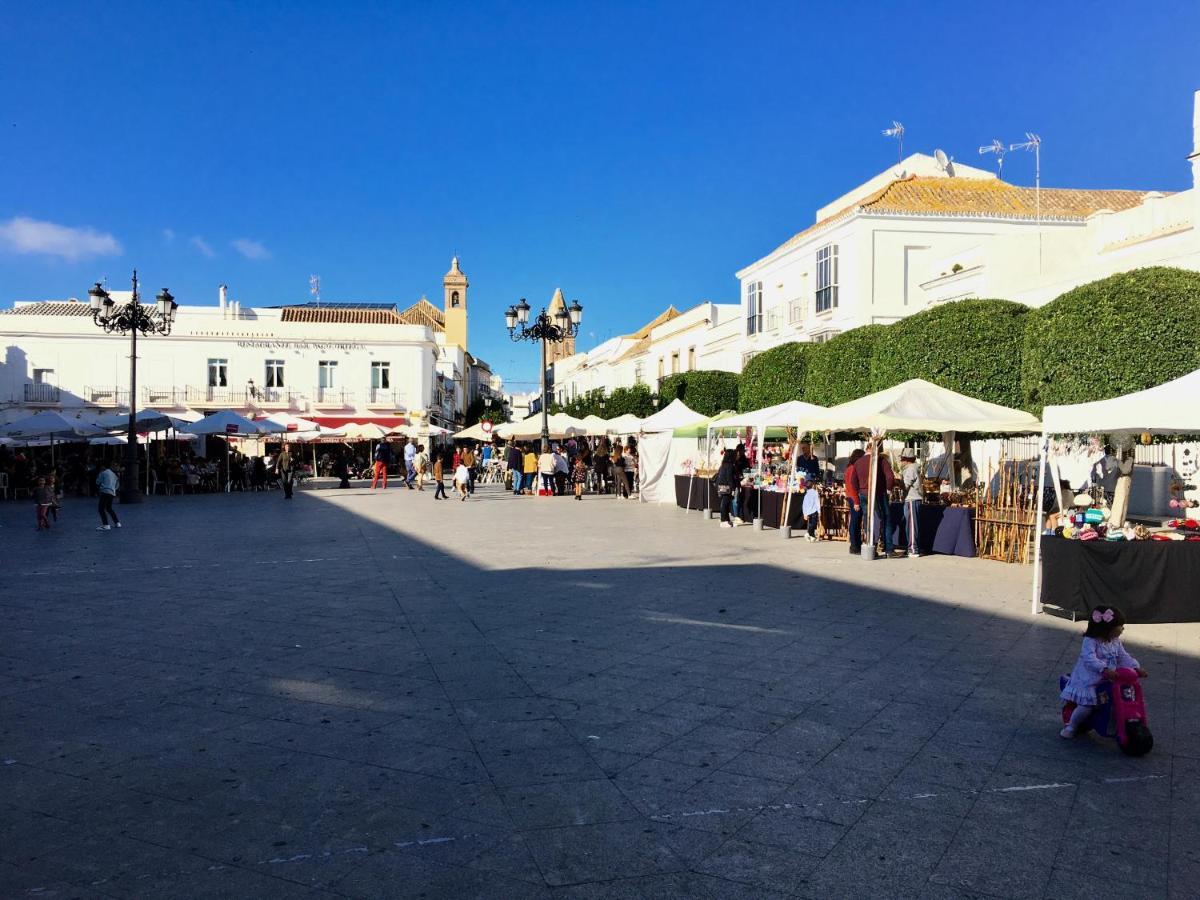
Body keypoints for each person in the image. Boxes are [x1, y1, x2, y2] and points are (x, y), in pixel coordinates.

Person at [1059, 606, 1147, 739]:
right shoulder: (1091, 641)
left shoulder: (1115, 642)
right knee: (1087, 706)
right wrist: (1103, 669)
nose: (1123, 629)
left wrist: (1135, 667)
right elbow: (1089, 658)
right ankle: (1071, 726)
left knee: (1115, 700)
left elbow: (1123, 656)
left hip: (1109, 678)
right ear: (1107, 629)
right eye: (1120, 626)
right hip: (1089, 680)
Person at [848, 443, 898, 558]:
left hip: (863, 494)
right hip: (879, 493)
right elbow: (890, 477)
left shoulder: (858, 462)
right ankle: (889, 549)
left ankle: (871, 547)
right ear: (877, 449)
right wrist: (889, 490)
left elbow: (853, 482)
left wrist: (857, 496)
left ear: (867, 448)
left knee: (868, 520)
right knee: (885, 519)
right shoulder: (881, 460)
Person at [843, 448, 866, 554]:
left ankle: (856, 544)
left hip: (852, 496)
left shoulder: (850, 467)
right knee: (855, 522)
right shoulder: (852, 468)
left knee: (855, 522)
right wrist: (856, 501)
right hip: (853, 497)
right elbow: (852, 486)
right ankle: (854, 545)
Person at [901, 449, 922, 558]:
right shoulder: (913, 468)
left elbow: (905, 485)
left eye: (902, 458)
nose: (901, 461)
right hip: (912, 499)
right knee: (911, 525)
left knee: (912, 526)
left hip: (912, 499)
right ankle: (912, 547)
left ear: (907, 459)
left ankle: (913, 549)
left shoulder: (911, 469)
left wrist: (897, 481)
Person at [715, 449, 738, 527]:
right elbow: (729, 478)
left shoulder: (724, 464)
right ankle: (723, 520)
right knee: (725, 503)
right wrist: (732, 488)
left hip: (721, 485)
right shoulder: (729, 465)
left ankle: (726, 519)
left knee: (725, 503)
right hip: (726, 486)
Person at [97, 461, 121, 530]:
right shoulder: (114, 475)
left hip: (105, 492)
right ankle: (117, 523)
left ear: (103, 466)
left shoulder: (103, 473)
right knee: (109, 508)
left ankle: (106, 525)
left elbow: (97, 481)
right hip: (112, 493)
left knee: (101, 509)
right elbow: (117, 485)